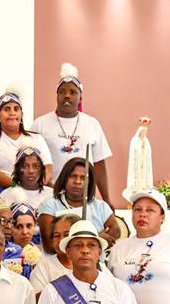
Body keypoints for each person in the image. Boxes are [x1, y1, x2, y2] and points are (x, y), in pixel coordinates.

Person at [30, 63, 113, 205]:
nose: (67, 95)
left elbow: (99, 164)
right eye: (62, 91)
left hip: (82, 196)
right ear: (57, 95)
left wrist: (106, 198)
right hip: (49, 194)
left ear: (80, 98)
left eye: (73, 92)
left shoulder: (92, 124)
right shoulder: (40, 124)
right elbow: (30, 161)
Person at [0, 85, 53, 200]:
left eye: (16, 109)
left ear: (21, 115)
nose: (12, 113)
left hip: (32, 192)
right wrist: (16, 186)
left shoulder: (36, 138)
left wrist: (34, 186)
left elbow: (48, 168)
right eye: (7, 109)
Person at [37, 158, 119, 248]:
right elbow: (49, 243)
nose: (77, 181)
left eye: (83, 178)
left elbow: (115, 230)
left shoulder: (100, 206)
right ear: (64, 178)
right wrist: (95, 238)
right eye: (73, 176)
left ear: (90, 182)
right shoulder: (49, 205)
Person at [0, 144, 54, 217]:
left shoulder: (52, 194)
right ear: (17, 170)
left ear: (42, 170)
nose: (31, 171)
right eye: (25, 166)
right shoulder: (6, 195)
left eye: (36, 166)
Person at [30, 214, 79, 297]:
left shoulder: (95, 266)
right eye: (56, 236)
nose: (61, 240)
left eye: (66, 235)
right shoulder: (43, 267)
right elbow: (37, 300)